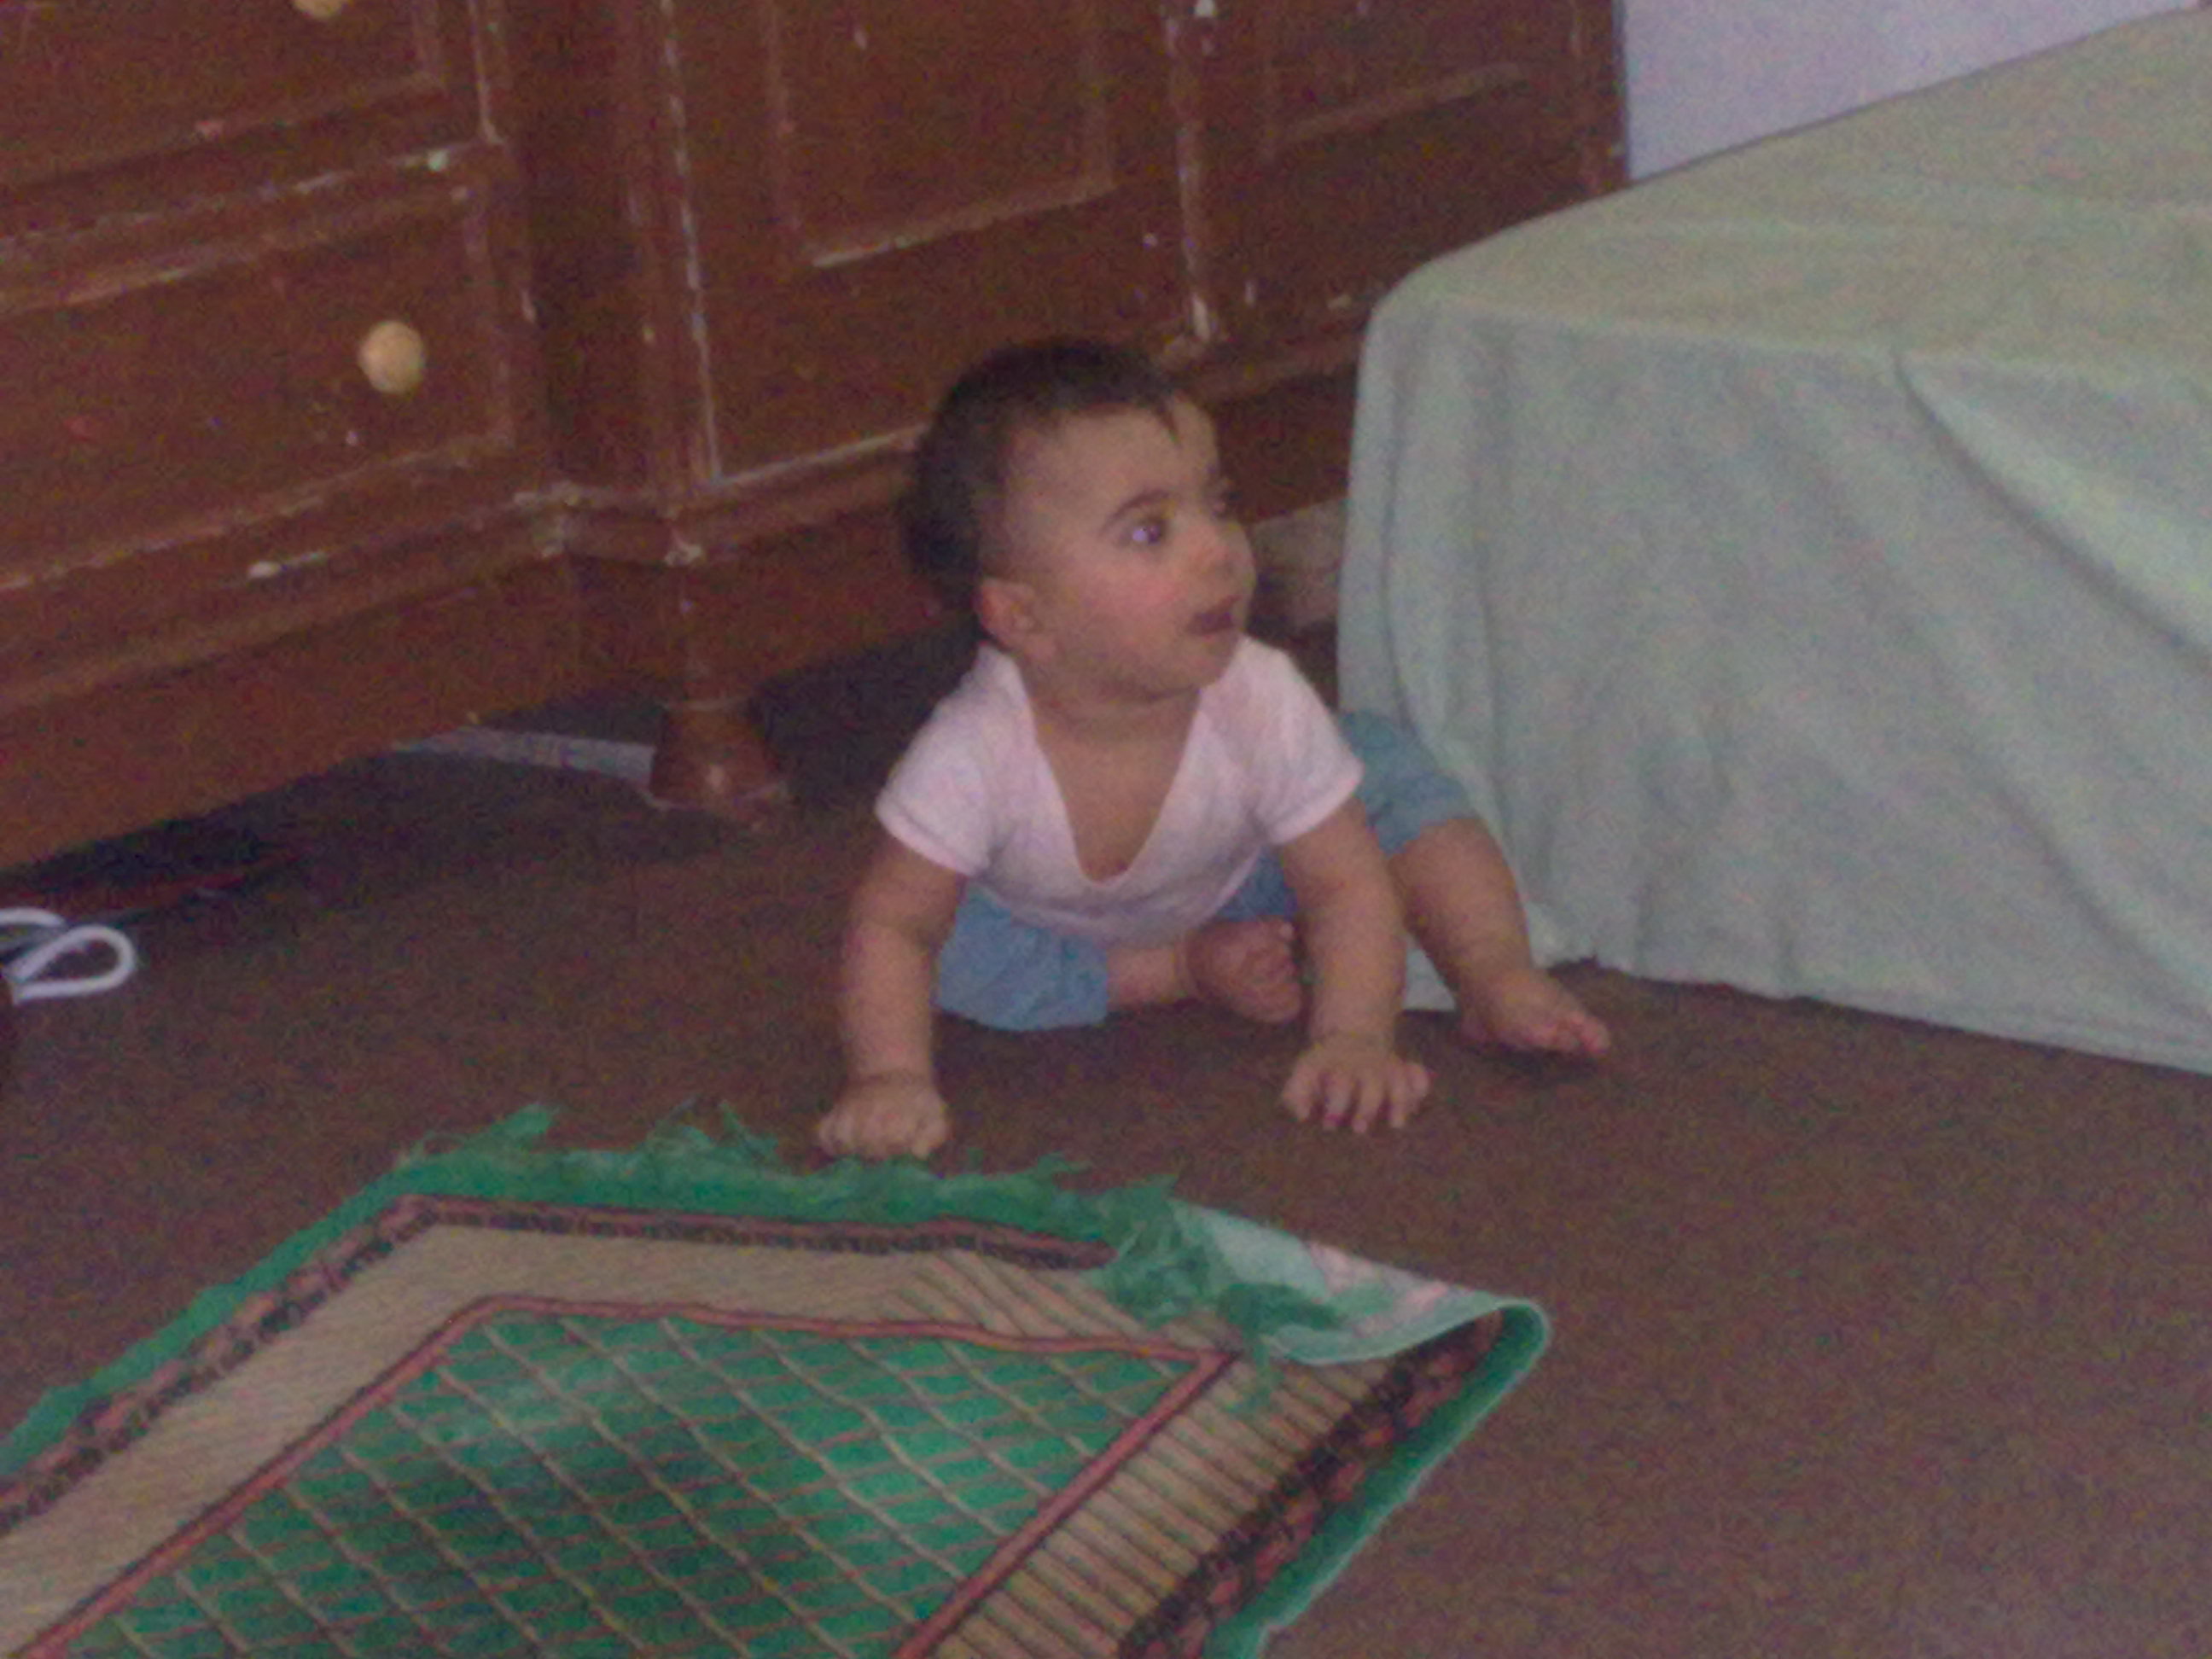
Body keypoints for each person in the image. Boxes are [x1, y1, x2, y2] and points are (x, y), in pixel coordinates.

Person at [817, 339, 1608, 1161]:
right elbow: (895, 924)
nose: (1218, 550)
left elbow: (1343, 884)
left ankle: (1492, 970)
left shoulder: (1259, 695)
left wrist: (1354, 1036)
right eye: (1149, 530)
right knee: (952, 955)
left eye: (1218, 504)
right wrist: (888, 1077)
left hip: (1249, 866)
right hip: (1057, 923)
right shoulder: (971, 753)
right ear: (1024, 617)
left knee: (1387, 776)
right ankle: (1173, 969)